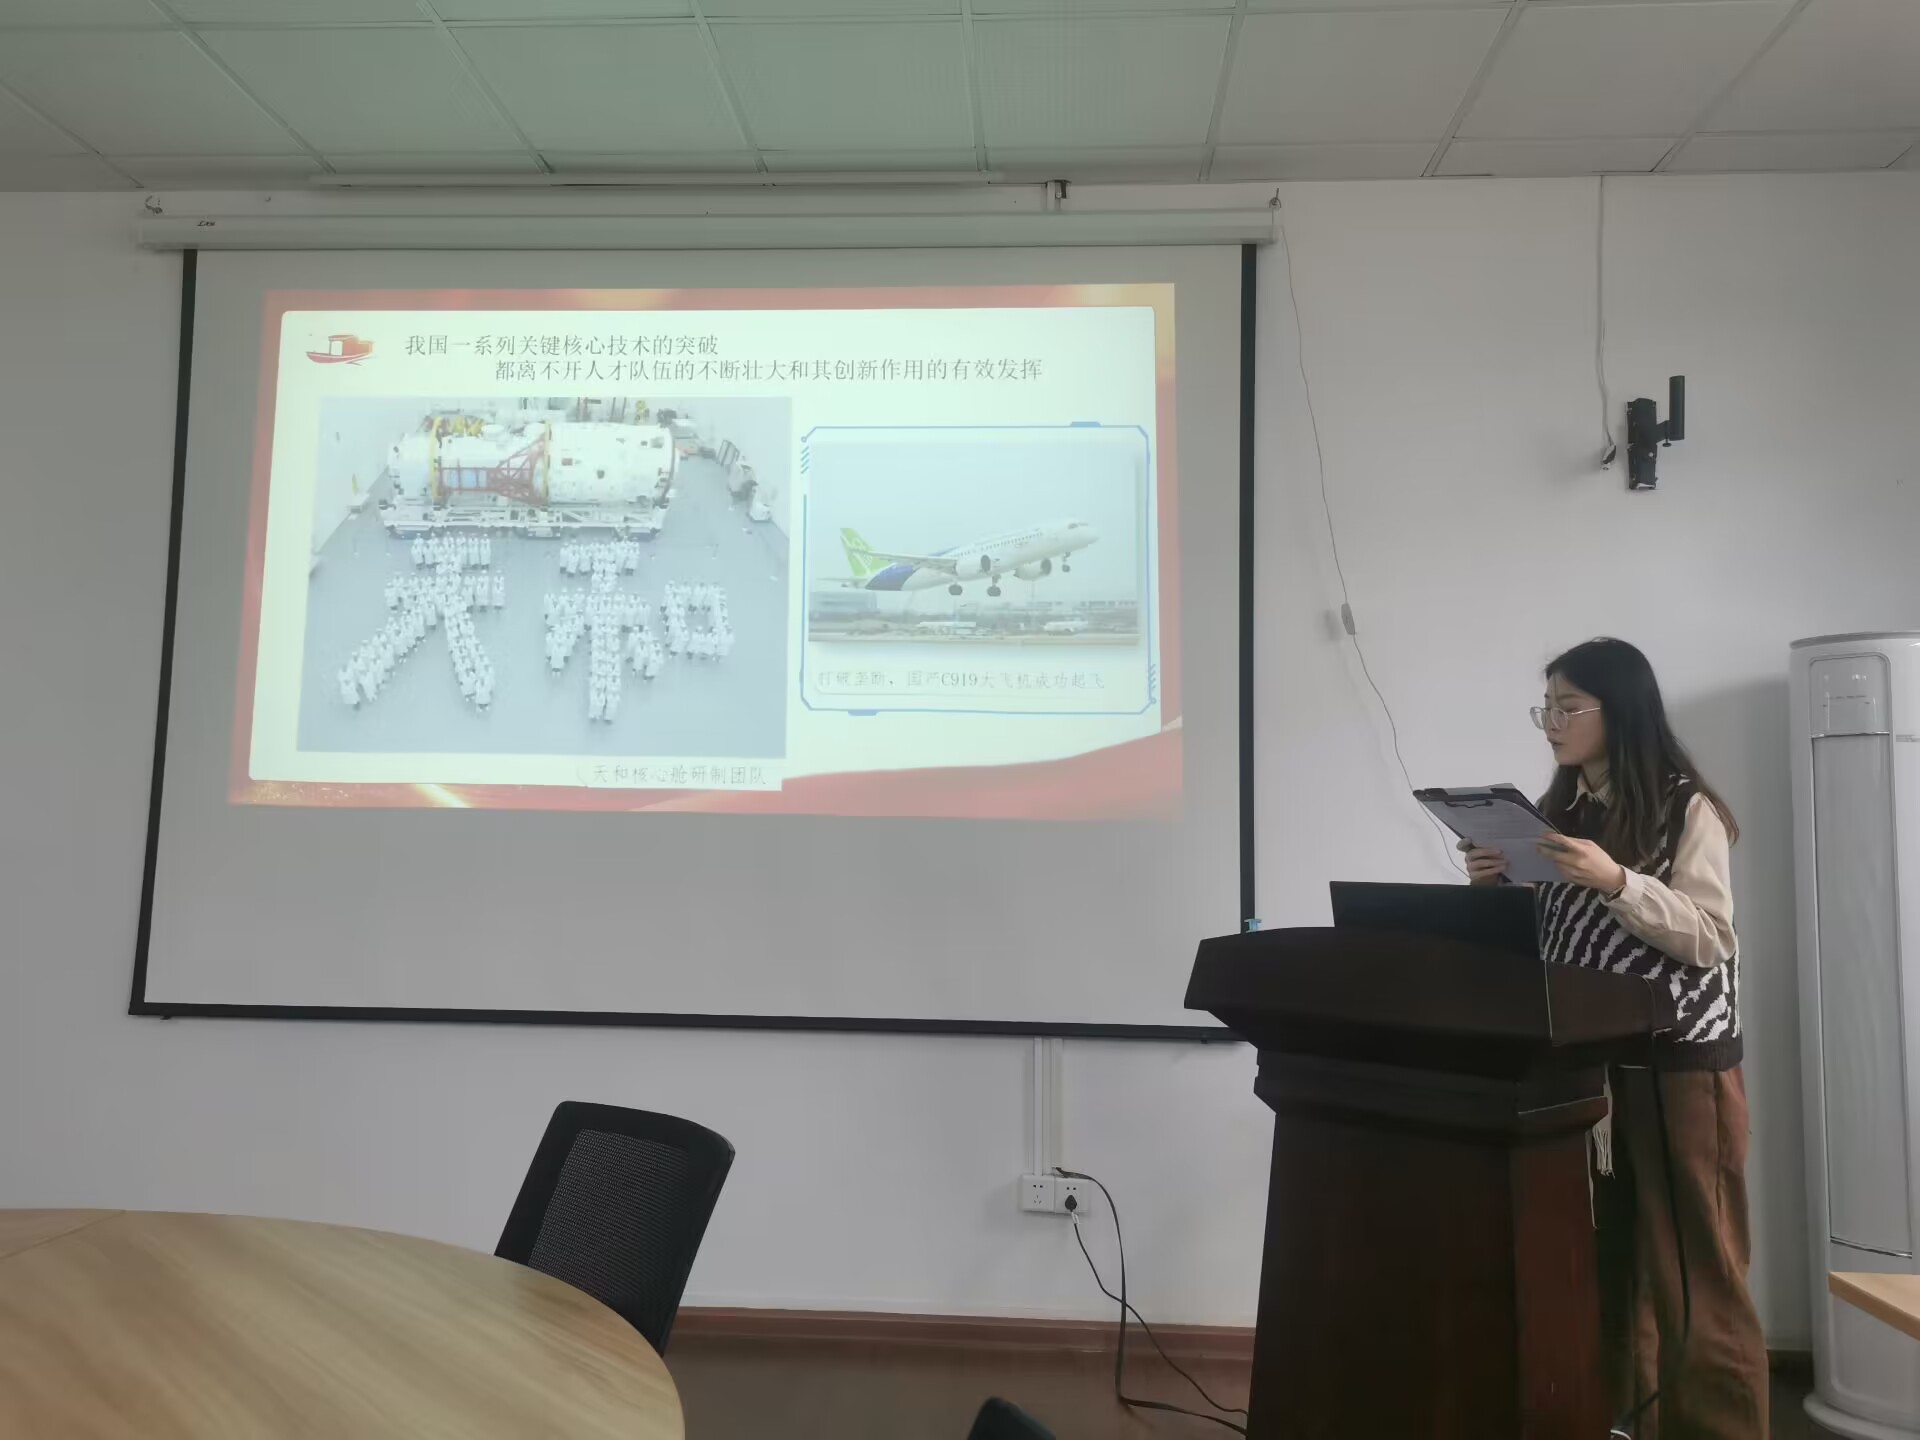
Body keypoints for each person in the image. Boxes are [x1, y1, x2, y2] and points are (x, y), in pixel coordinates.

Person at [1463, 638, 1764, 1438]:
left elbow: (1710, 937)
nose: (1552, 723)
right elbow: (1562, 939)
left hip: (1679, 1068)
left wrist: (1619, 881)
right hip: (1590, 1067)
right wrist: (1496, 887)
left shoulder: (1686, 807)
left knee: (1698, 1279)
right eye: (1546, 708)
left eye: (1569, 707)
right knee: (1613, 1273)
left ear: (1620, 710)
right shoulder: (1558, 814)